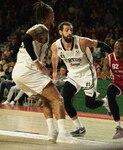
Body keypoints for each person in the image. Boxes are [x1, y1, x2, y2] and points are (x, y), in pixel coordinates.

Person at [12, 1, 77, 144]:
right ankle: (64, 133)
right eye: (52, 15)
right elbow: (26, 38)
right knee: (58, 99)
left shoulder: (40, 30)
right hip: (29, 69)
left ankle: (52, 132)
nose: (54, 18)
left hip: (19, 72)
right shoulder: (42, 28)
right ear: (48, 16)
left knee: (48, 100)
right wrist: (36, 61)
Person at [51, 21, 113, 137]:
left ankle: (105, 101)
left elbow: (102, 44)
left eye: (71, 30)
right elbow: (54, 56)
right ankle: (80, 128)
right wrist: (54, 70)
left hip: (87, 73)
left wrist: (114, 58)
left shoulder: (82, 41)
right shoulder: (55, 46)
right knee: (66, 101)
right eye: (66, 30)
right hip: (73, 75)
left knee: (90, 104)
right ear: (60, 32)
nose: (70, 32)